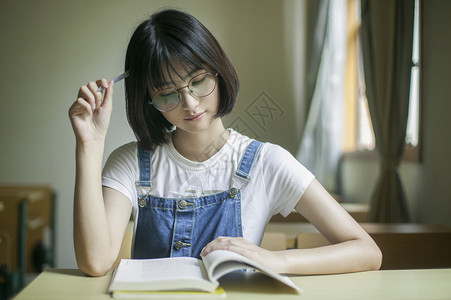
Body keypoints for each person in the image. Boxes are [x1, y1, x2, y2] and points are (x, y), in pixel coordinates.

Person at [69, 9, 382, 277]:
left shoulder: (266, 162)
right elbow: (95, 262)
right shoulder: (131, 162)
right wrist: (90, 144)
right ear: (147, 99)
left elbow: (367, 251)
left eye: (198, 80)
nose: (190, 103)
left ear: (218, 72)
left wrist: (275, 260)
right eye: (167, 93)